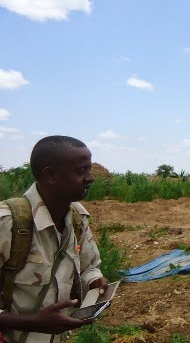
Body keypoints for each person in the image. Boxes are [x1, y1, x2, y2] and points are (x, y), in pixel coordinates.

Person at [0, 136, 108, 343]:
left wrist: (95, 281)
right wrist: (32, 322)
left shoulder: (76, 217)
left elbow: (89, 266)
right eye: (81, 171)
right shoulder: (8, 223)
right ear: (50, 175)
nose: (91, 178)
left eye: (89, 169)